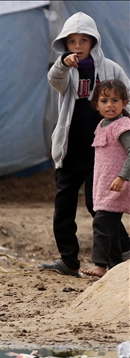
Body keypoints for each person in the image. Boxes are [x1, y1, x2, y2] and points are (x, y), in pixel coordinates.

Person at [40, 12, 130, 277]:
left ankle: (123, 251)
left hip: (103, 152)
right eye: (71, 41)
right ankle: (68, 260)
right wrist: (62, 64)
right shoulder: (66, 70)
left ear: (94, 42)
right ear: (64, 44)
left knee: (99, 204)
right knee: (63, 204)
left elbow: (127, 98)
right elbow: (54, 81)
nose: (77, 46)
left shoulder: (112, 69)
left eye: (83, 40)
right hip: (71, 147)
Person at [80, 80, 130, 277]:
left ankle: (100, 265)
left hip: (118, 186)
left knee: (102, 224)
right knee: (112, 228)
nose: (109, 105)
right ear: (96, 105)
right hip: (104, 186)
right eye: (104, 100)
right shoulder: (101, 125)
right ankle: (116, 267)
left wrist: (122, 177)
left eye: (115, 100)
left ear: (124, 103)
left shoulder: (123, 127)